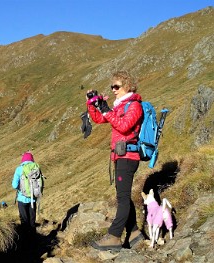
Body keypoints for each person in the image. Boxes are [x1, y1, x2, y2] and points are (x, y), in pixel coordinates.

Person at [86, 71, 143, 250]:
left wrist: (106, 109)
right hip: (120, 156)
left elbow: (124, 126)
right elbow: (98, 119)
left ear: (128, 86)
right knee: (123, 196)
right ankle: (134, 233)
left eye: (116, 86)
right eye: (112, 86)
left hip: (128, 157)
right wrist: (93, 104)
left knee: (123, 198)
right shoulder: (119, 106)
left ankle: (114, 236)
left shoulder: (134, 106)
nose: (113, 89)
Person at [11, 152, 40, 236]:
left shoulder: (19, 169)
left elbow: (14, 185)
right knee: (32, 220)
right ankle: (34, 238)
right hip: (33, 198)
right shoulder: (36, 167)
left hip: (22, 198)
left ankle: (26, 239)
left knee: (24, 220)